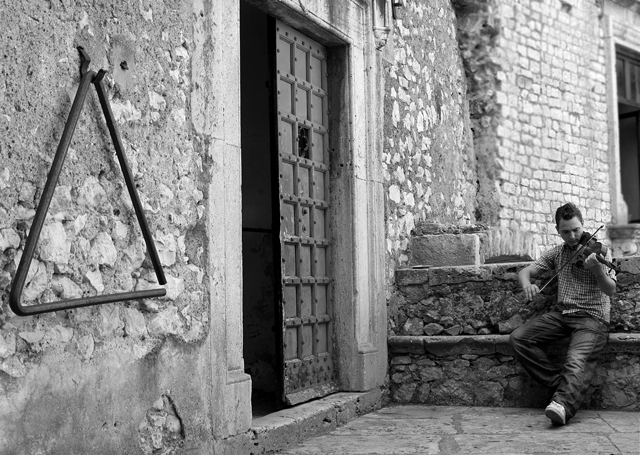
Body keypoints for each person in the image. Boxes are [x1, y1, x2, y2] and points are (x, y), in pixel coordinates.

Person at [509, 202, 617, 426]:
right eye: (566, 231)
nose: (572, 236)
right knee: (519, 338)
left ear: (583, 225)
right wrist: (527, 284)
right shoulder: (557, 253)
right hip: (563, 315)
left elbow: (610, 289)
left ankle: (562, 405)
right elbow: (525, 271)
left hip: (592, 317)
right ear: (558, 230)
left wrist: (597, 270)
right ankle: (563, 384)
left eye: (576, 230)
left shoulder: (598, 251)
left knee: (575, 359)